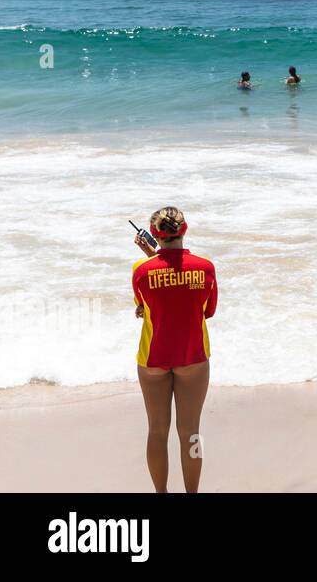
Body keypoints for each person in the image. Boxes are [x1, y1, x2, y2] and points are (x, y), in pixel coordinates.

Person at [131, 207, 217, 493]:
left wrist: (153, 258)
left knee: (156, 430)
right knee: (191, 433)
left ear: (153, 234)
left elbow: (144, 308)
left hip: (153, 358)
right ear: (185, 229)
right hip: (192, 356)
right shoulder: (206, 268)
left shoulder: (141, 271)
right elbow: (207, 311)